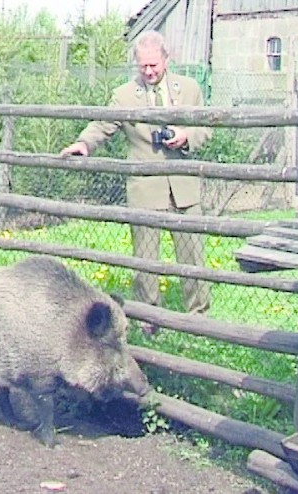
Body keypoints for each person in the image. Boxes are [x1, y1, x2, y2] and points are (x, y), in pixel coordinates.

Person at [60, 30, 212, 334]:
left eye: (154, 65)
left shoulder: (190, 89)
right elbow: (102, 125)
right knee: (145, 262)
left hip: (184, 188)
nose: (149, 71)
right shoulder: (124, 96)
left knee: (193, 258)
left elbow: (205, 128)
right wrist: (84, 144)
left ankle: (201, 322)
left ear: (167, 60)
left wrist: (185, 137)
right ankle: (148, 323)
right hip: (145, 192)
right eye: (143, 66)